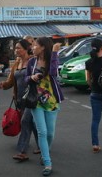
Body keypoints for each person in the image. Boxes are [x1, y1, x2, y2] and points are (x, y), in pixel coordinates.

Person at [26, 37, 63, 176]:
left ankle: (45, 152)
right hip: (36, 100)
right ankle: (47, 162)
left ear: (42, 47)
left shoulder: (52, 59)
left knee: (50, 133)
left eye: (35, 45)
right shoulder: (31, 62)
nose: (32, 48)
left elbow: (53, 72)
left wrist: (54, 53)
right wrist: (31, 77)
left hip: (51, 100)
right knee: (42, 132)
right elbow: (25, 78)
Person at [0, 39, 39, 162]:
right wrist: (3, 85)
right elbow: (11, 81)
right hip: (19, 99)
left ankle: (22, 151)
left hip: (31, 98)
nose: (16, 50)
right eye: (15, 48)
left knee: (25, 121)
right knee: (33, 124)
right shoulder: (16, 64)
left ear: (27, 49)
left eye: (19, 48)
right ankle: (43, 146)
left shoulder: (33, 61)